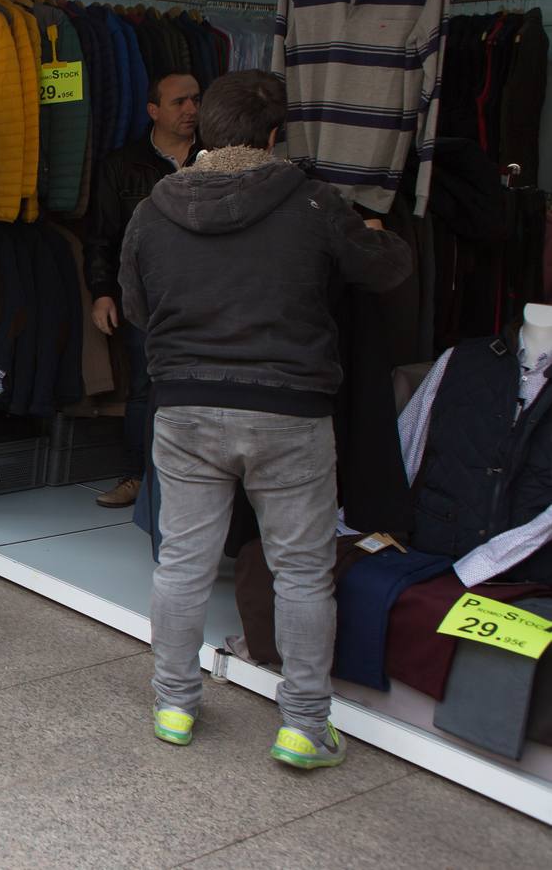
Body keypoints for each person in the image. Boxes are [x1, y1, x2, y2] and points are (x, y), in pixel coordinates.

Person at [119, 70, 411, 768]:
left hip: (184, 406)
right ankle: (303, 726)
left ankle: (173, 705)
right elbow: (388, 270)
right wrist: (371, 231)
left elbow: (134, 308)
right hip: (288, 412)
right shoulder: (312, 203)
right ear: (274, 136)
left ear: (205, 134)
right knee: (302, 572)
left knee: (182, 565)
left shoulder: (152, 210)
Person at [85, 73, 202, 509]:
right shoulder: (122, 164)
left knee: (199, 386)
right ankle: (136, 477)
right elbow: (102, 235)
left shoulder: (212, 158)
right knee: (144, 388)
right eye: (179, 102)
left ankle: (185, 485)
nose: (191, 109)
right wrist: (102, 291)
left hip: (205, 293)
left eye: (195, 100)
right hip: (146, 294)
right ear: (153, 110)